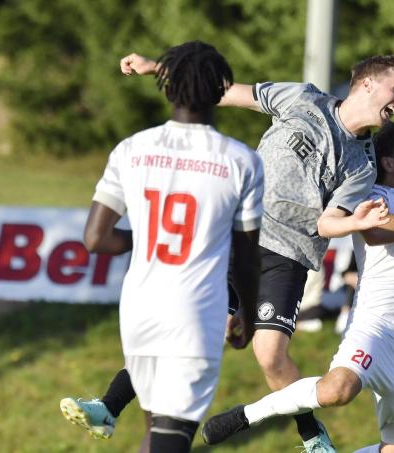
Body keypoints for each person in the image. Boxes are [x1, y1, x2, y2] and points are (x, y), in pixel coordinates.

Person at [111, 49, 394, 451]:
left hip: (288, 254)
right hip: (236, 234)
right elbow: (223, 92)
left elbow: (328, 222)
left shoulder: (362, 164)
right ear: (366, 83)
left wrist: (357, 223)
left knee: (270, 356)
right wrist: (157, 67)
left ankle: (310, 434)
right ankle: (109, 407)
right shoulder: (303, 99)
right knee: (186, 326)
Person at [200, 120, 394, 453]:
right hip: (375, 331)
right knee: (336, 390)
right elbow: (378, 232)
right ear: (388, 163)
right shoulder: (374, 197)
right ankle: (247, 415)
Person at [60, 41, 264, 453]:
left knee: (155, 436)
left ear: (167, 88)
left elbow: (95, 238)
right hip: (194, 314)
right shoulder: (240, 161)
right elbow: (245, 256)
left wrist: (148, 238)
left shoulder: (131, 149)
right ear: (221, 90)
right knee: (171, 441)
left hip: (138, 310)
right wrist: (248, 313)